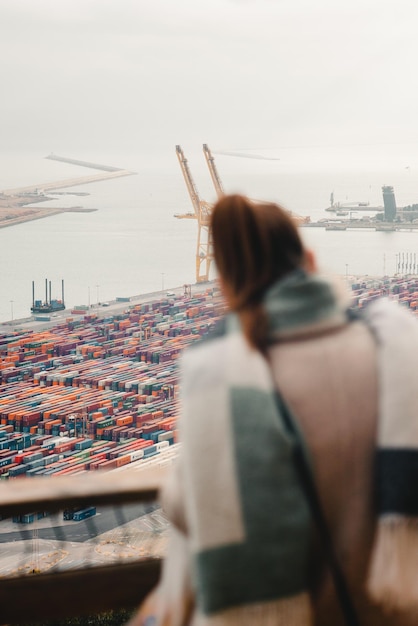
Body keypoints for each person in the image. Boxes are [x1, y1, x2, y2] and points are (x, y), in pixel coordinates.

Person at [129, 194, 418, 626]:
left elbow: (189, 507)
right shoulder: (393, 350)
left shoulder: (217, 376)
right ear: (311, 259)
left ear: (225, 284)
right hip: (390, 606)